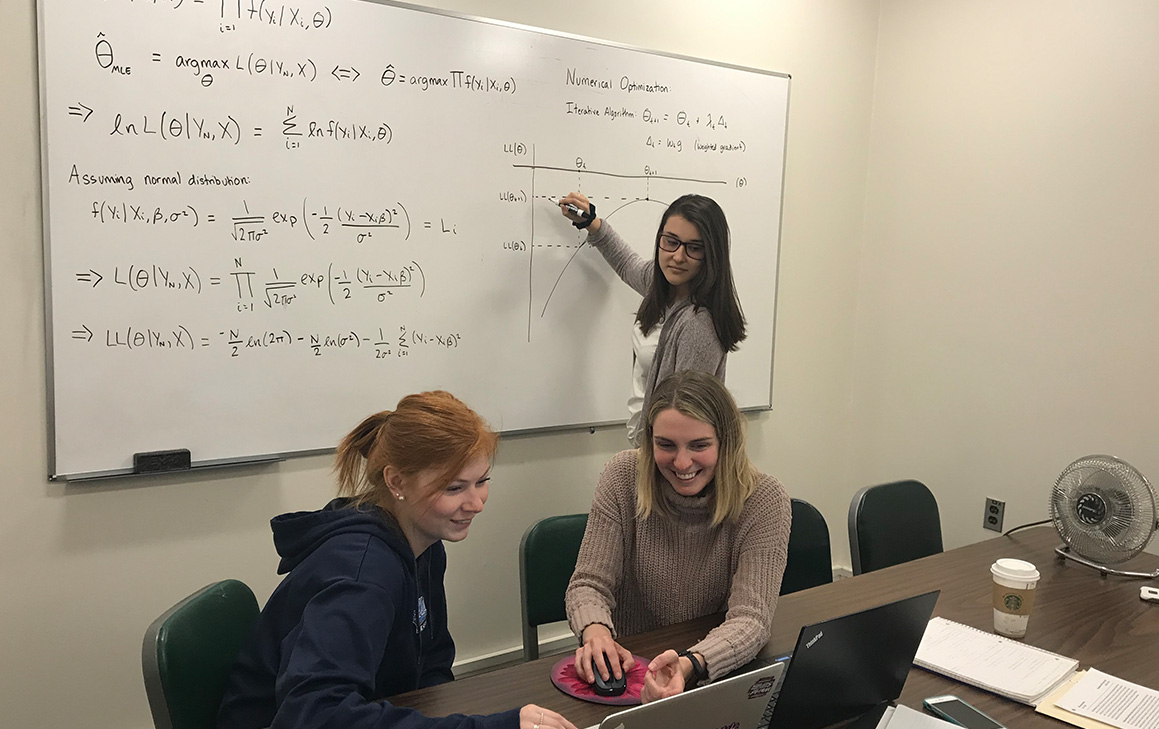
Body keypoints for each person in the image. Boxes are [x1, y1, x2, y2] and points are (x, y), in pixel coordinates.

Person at [217, 391, 578, 729]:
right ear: (397, 482)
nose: (476, 503)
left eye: (481, 481)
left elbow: (432, 662)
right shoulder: (362, 575)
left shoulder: (424, 540)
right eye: (454, 488)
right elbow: (314, 713)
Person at [564, 370, 790, 703]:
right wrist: (595, 632)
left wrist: (692, 664)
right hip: (632, 666)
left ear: (726, 442)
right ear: (649, 440)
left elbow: (751, 619)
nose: (682, 462)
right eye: (666, 445)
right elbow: (588, 584)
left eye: (699, 445)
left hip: (713, 668)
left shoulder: (764, 499)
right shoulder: (622, 476)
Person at [558, 192, 746, 445]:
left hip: (665, 458)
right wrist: (591, 222)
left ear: (712, 254)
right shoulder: (662, 287)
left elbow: (682, 422)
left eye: (694, 248)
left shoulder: (698, 325)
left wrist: (647, 462)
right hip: (647, 447)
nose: (678, 257)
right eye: (671, 242)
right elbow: (626, 263)